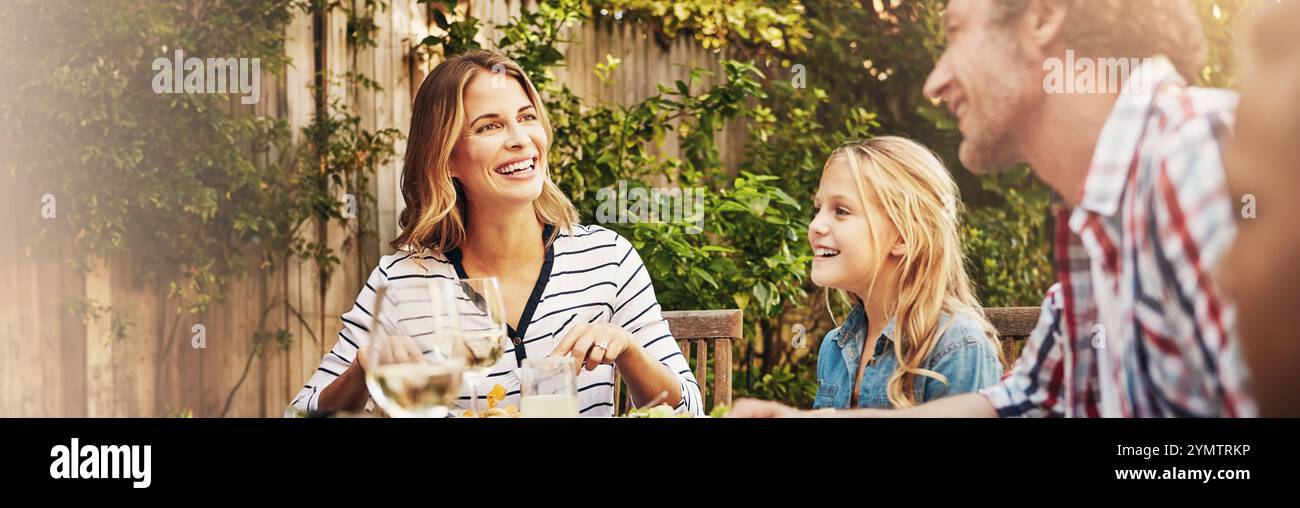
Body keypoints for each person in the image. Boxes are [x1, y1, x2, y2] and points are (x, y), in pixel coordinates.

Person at [732, 0, 1254, 418]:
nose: (935, 83)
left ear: (1044, 16)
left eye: (955, 29)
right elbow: (1021, 401)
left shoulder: (1201, 161)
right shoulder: (1096, 233)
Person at [288, 49, 703, 417]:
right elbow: (301, 414)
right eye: (489, 127)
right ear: (446, 156)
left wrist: (628, 350)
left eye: (526, 118)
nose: (521, 140)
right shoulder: (403, 280)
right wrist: (364, 368)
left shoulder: (607, 260)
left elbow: (690, 407)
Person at [808, 137, 1003, 410]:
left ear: (902, 237)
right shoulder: (835, 347)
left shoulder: (957, 346)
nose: (816, 225)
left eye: (841, 211)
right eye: (817, 209)